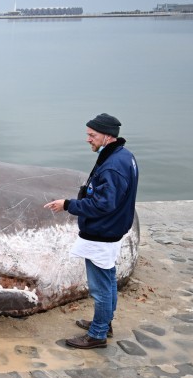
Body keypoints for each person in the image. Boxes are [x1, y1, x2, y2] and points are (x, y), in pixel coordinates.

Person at [44, 113, 139, 349]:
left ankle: (97, 335)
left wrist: (68, 205)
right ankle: (104, 323)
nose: (88, 139)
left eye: (92, 135)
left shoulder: (114, 166)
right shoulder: (123, 156)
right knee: (107, 281)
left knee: (101, 287)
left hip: (102, 234)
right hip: (110, 231)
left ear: (107, 136)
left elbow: (103, 204)